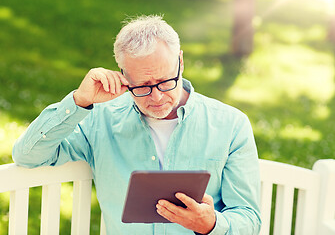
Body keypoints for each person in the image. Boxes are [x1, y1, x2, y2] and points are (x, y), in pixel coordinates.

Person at [12, 15, 261, 235]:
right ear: (123, 74)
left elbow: (249, 218)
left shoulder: (230, 124)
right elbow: (27, 156)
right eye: (142, 86)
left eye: (165, 82)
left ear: (181, 62)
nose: (156, 97)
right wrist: (79, 100)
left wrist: (211, 224)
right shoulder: (100, 119)